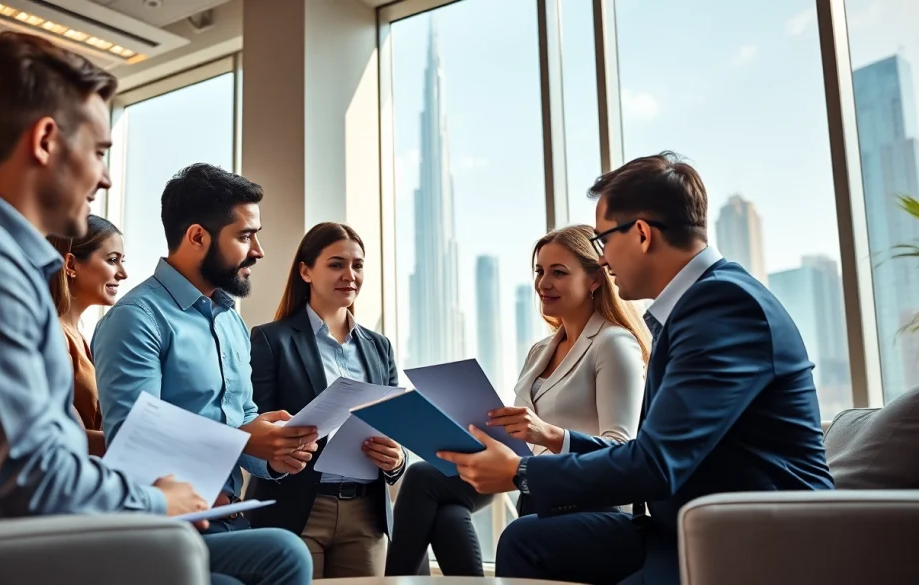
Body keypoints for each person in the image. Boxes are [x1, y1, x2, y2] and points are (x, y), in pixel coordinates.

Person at [0, 31, 312, 585]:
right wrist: (151, 501)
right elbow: (28, 476)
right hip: (0, 550)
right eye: (98, 152)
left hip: (31, 532)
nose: (107, 177)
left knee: (279, 556)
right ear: (45, 141)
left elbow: (44, 450)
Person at [436, 151, 835, 585]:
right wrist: (553, 439)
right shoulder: (693, 308)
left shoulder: (723, 306)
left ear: (642, 234)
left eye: (603, 241)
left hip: (753, 537)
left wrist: (520, 472)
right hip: (684, 526)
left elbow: (655, 464)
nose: (603, 260)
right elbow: (653, 450)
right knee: (525, 540)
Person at [385, 224, 649, 577]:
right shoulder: (541, 350)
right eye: (539, 271)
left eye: (558, 272)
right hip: (533, 491)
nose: (543, 283)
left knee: (423, 483)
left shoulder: (613, 343)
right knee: (434, 494)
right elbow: (519, 432)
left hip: (589, 502)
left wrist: (546, 433)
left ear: (595, 280)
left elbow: (622, 447)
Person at [91, 164, 317, 569]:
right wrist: (245, 440)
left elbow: (242, 414)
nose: (259, 251)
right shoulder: (135, 318)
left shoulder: (230, 320)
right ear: (197, 236)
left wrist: (272, 451)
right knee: (287, 554)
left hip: (229, 518)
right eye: (245, 236)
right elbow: (132, 436)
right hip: (165, 528)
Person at [247, 222, 407, 578]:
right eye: (336, 264)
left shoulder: (379, 347)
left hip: (366, 514)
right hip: (296, 508)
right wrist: (281, 446)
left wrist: (397, 459)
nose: (349, 275)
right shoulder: (271, 340)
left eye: (357, 265)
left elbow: (397, 428)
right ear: (306, 270)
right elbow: (254, 423)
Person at [46, 214, 127, 457]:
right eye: (112, 260)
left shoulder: (80, 336)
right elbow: (69, 439)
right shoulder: (53, 337)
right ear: (70, 265)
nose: (123, 273)